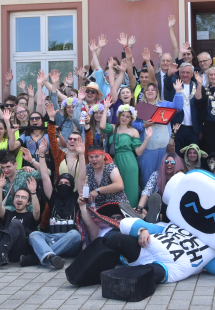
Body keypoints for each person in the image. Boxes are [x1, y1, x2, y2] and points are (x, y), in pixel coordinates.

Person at [26, 138, 88, 269]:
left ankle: (40, 256)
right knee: (34, 234)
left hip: (70, 242)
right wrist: (41, 155)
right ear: (57, 185)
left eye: (67, 183)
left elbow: (82, 177)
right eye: (61, 183)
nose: (63, 185)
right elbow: (44, 176)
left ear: (72, 186)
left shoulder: (76, 197)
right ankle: (51, 257)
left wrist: (82, 155)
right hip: (52, 238)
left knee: (75, 234)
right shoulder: (53, 197)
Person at [100, 98, 153, 207]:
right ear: (119, 116)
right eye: (122, 115)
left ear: (131, 119)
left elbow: (138, 152)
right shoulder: (114, 128)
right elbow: (102, 126)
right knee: (114, 190)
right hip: (114, 162)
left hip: (129, 163)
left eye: (127, 116)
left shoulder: (134, 131)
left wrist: (147, 138)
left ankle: (131, 215)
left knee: (129, 190)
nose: (124, 118)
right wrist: (105, 108)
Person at [136, 81, 183, 188]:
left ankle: (161, 201)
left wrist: (178, 91)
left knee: (163, 176)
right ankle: (146, 203)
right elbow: (132, 124)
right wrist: (144, 125)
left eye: (153, 89)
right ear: (144, 93)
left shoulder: (165, 104)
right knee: (146, 177)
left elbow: (178, 108)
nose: (150, 91)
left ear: (157, 93)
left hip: (164, 148)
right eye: (148, 90)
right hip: (148, 149)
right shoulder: (140, 107)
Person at [164, 62, 200, 154]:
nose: (185, 74)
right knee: (177, 154)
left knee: (192, 155)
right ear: (179, 73)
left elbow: (201, 106)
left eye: (187, 72)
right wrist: (169, 74)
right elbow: (167, 83)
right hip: (177, 126)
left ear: (192, 74)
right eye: (182, 72)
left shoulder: (197, 84)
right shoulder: (175, 83)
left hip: (193, 127)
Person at [137, 152, 183, 221]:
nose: (169, 164)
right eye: (166, 162)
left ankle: (155, 219)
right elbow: (146, 192)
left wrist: (180, 174)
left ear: (177, 164)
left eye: (172, 162)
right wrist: (139, 208)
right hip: (155, 208)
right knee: (141, 212)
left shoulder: (180, 177)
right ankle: (152, 218)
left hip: (172, 210)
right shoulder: (156, 174)